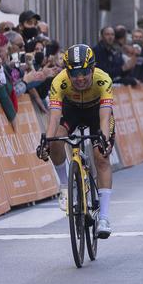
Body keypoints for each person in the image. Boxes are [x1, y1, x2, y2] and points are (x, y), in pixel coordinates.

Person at [36, 44, 116, 238]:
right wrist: (47, 140)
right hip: (71, 112)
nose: (80, 78)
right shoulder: (59, 81)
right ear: (67, 71)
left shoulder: (103, 79)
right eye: (74, 73)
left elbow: (105, 117)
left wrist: (104, 139)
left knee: (102, 157)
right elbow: (54, 117)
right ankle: (65, 185)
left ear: (93, 69)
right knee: (56, 140)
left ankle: (103, 217)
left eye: (85, 72)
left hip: (96, 114)